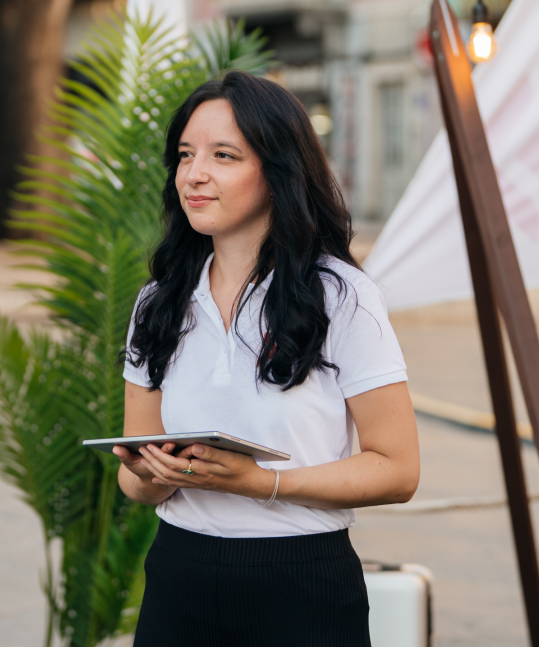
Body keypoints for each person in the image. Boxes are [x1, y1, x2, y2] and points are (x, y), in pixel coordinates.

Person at [115, 70, 420, 646]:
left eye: (224, 155)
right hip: (179, 577)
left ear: (278, 170)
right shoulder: (157, 302)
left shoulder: (340, 295)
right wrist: (156, 474)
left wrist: (260, 483)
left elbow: (398, 469)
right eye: (185, 155)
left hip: (301, 585)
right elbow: (134, 480)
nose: (195, 174)